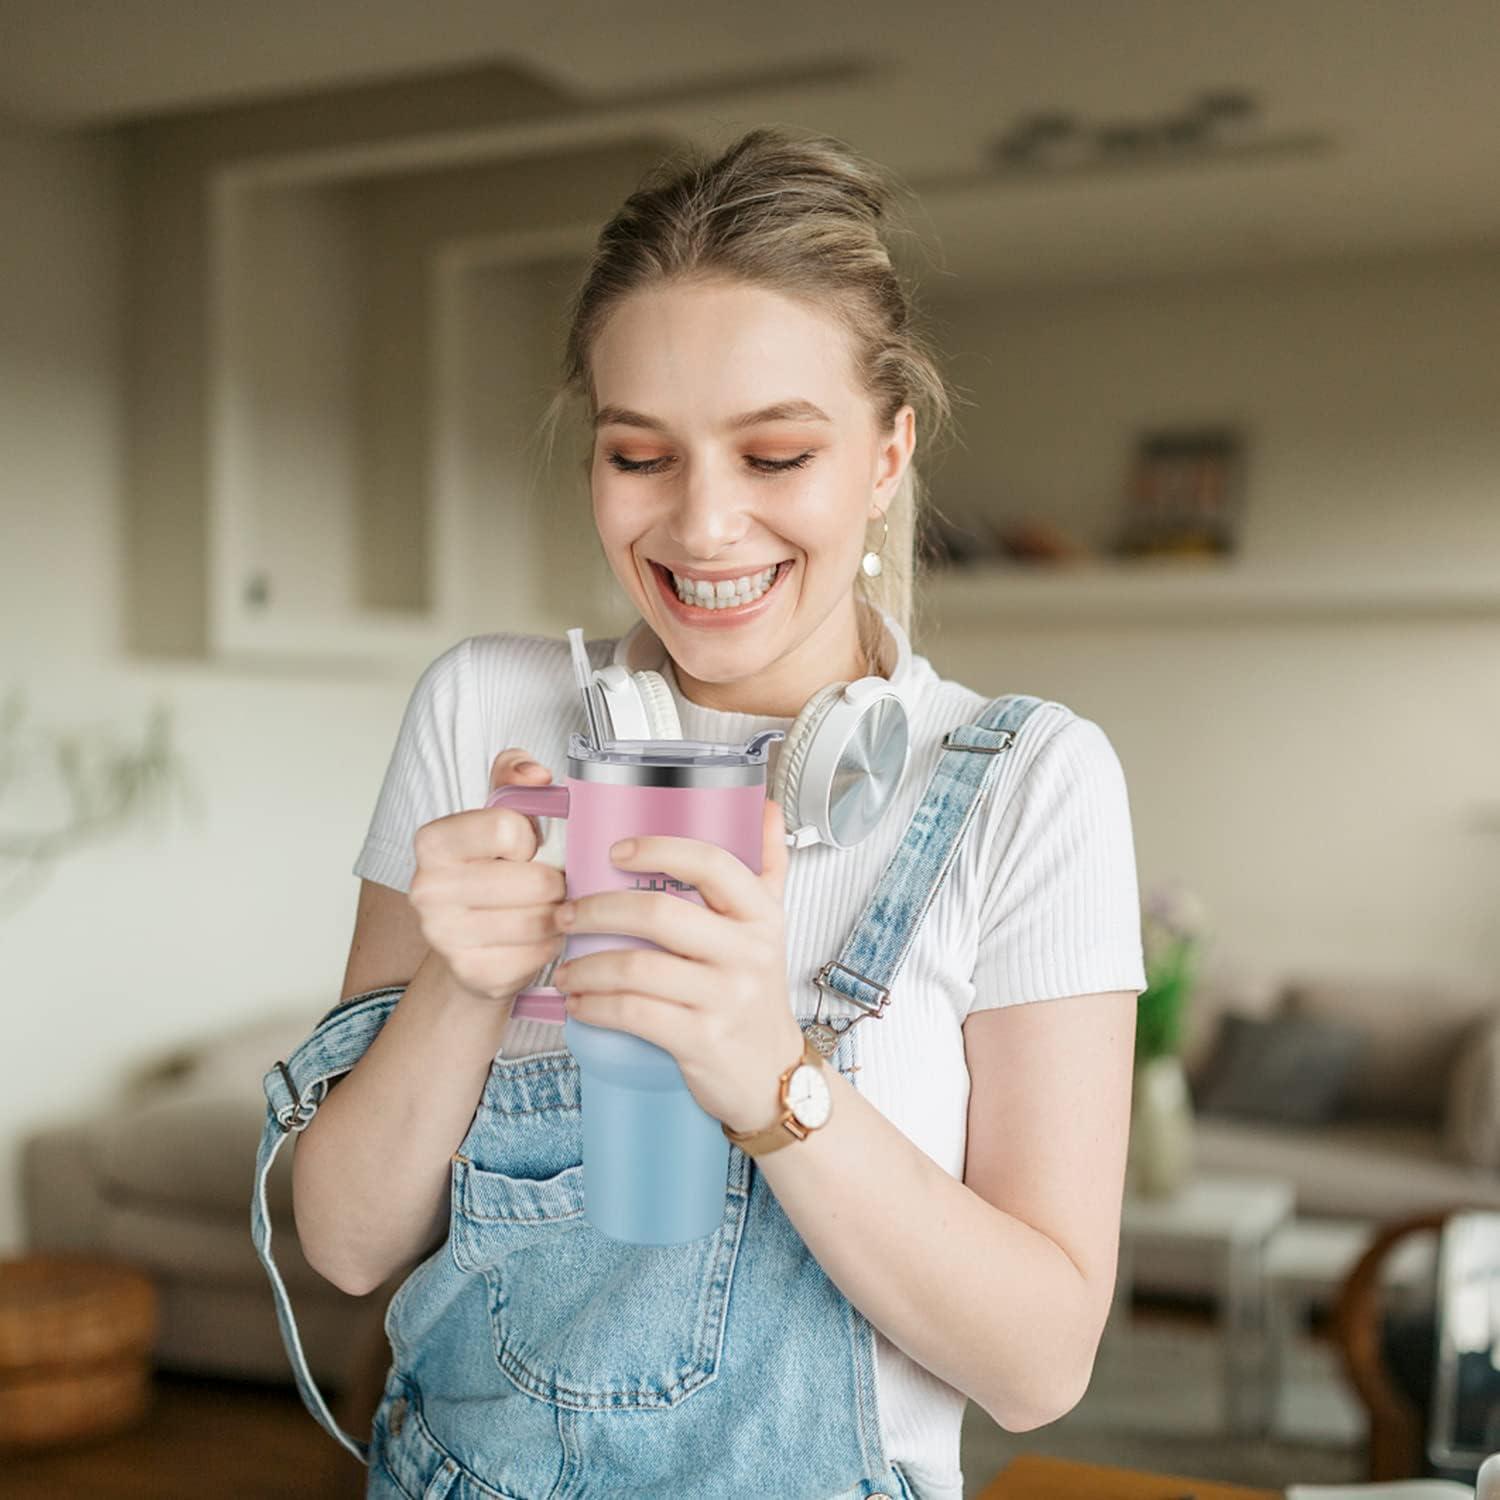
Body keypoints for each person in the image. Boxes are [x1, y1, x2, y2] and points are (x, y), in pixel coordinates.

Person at [276, 125, 1147, 1500]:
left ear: (885, 455)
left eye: (776, 453)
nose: (704, 526)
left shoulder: (1029, 783)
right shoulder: (485, 716)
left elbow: (1040, 1367)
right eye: (642, 456)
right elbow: (341, 1239)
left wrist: (768, 1075)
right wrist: (464, 981)